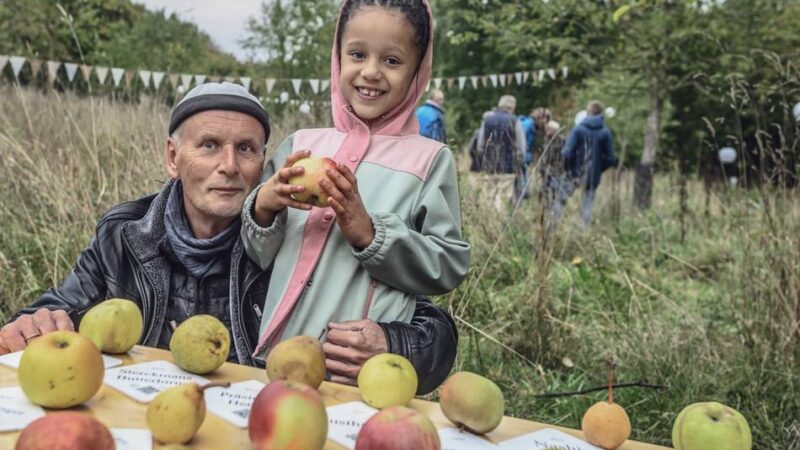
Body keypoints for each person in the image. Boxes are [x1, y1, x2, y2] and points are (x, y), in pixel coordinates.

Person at [0, 82, 459, 394]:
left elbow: (433, 328)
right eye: (208, 146)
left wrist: (392, 345)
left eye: (246, 149)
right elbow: (61, 306)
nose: (229, 166)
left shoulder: (291, 236)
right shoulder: (126, 234)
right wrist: (34, 323)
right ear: (173, 157)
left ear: (265, 163)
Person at [241, 0, 469, 390]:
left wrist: (370, 234)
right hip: (274, 361)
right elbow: (257, 254)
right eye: (358, 54)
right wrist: (264, 207)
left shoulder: (429, 160)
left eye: (392, 61)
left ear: (417, 72)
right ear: (338, 57)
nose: (371, 72)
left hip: (357, 374)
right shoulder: (301, 146)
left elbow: (448, 264)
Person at [554, 101, 618, 225]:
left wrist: (568, 169)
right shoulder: (605, 132)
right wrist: (598, 168)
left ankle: (553, 226)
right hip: (593, 175)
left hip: (574, 173)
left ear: (588, 112)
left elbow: (566, 153)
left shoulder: (578, 129)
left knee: (560, 200)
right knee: (587, 204)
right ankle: (583, 230)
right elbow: (611, 159)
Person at [475, 95, 527, 212]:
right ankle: (499, 222)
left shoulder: (487, 120)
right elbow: (521, 149)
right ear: (512, 107)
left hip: (489, 167)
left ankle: (488, 220)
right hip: (508, 169)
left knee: (488, 199)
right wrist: (517, 165)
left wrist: (485, 161)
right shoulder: (515, 121)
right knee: (502, 200)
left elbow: (480, 146)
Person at [514, 112, 536, 202]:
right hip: (523, 154)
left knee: (522, 173)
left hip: (523, 154)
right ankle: (524, 193)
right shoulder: (528, 125)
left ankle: (523, 193)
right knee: (523, 173)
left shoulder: (524, 123)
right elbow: (523, 142)